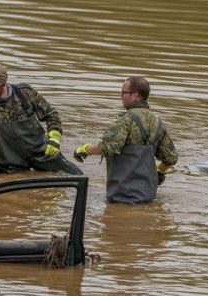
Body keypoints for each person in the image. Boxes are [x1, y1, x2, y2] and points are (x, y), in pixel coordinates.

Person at [74, 76, 177, 204]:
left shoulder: (126, 121)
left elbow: (108, 148)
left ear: (135, 96)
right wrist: (159, 171)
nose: (121, 96)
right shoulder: (157, 122)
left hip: (122, 197)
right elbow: (171, 158)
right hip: (148, 195)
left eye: (123, 92)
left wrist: (85, 148)